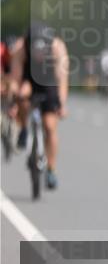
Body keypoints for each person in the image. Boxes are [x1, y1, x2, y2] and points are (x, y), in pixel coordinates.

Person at [7, 23, 69, 190]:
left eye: (42, 51)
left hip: (49, 80)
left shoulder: (57, 47)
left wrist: (62, 104)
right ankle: (24, 128)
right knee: (21, 95)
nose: (39, 54)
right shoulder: (21, 48)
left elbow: (61, 80)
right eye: (36, 50)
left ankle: (51, 170)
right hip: (29, 78)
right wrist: (13, 102)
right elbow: (15, 79)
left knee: (49, 126)